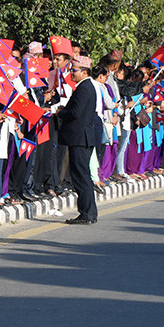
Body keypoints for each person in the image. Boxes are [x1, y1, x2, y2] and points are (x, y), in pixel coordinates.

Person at [55, 55, 99, 225]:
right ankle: (90, 212)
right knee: (83, 175)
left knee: (81, 176)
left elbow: (75, 113)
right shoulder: (86, 87)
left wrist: (60, 113)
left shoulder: (85, 88)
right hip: (81, 137)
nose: (72, 73)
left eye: (74, 70)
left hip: (80, 138)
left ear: (84, 72)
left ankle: (86, 213)